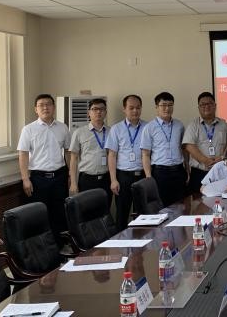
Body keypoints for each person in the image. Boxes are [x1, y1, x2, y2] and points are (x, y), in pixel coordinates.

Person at [17, 94, 71, 242]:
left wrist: (71, 175)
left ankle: (60, 246)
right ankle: (42, 247)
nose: (45, 107)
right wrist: (25, 179)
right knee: (39, 214)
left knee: (59, 213)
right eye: (41, 105)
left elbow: (68, 152)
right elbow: (23, 154)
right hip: (38, 179)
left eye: (48, 104)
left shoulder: (63, 127)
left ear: (54, 107)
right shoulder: (28, 129)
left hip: (59, 176)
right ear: (36, 109)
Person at [105, 94, 147, 231]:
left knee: (142, 214)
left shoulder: (148, 127)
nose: (135, 111)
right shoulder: (116, 129)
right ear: (124, 109)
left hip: (142, 175)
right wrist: (113, 180)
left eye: (138, 108)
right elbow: (112, 155)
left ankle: (141, 242)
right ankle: (120, 242)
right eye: (131, 108)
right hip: (123, 176)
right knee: (122, 214)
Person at [184, 92, 227, 194]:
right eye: (203, 104)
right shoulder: (193, 126)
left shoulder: (224, 124)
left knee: (222, 200)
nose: (206, 106)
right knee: (198, 201)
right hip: (199, 172)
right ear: (198, 107)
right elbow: (189, 146)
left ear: (215, 106)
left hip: (220, 171)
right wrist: (206, 161)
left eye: (209, 104)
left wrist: (222, 157)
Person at [141, 92, 188, 207]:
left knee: (181, 205)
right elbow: (145, 154)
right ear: (157, 107)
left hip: (178, 171)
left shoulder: (179, 125)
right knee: (162, 206)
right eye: (163, 105)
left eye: (170, 105)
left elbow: (184, 150)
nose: (167, 108)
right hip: (160, 173)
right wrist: (148, 177)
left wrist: (187, 169)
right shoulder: (149, 128)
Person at [69, 98, 111, 204]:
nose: (98, 112)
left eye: (102, 109)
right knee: (87, 210)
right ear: (89, 113)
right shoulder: (79, 132)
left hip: (106, 178)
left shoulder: (111, 132)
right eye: (95, 109)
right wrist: (73, 183)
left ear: (105, 112)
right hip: (87, 179)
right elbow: (73, 159)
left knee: (105, 209)